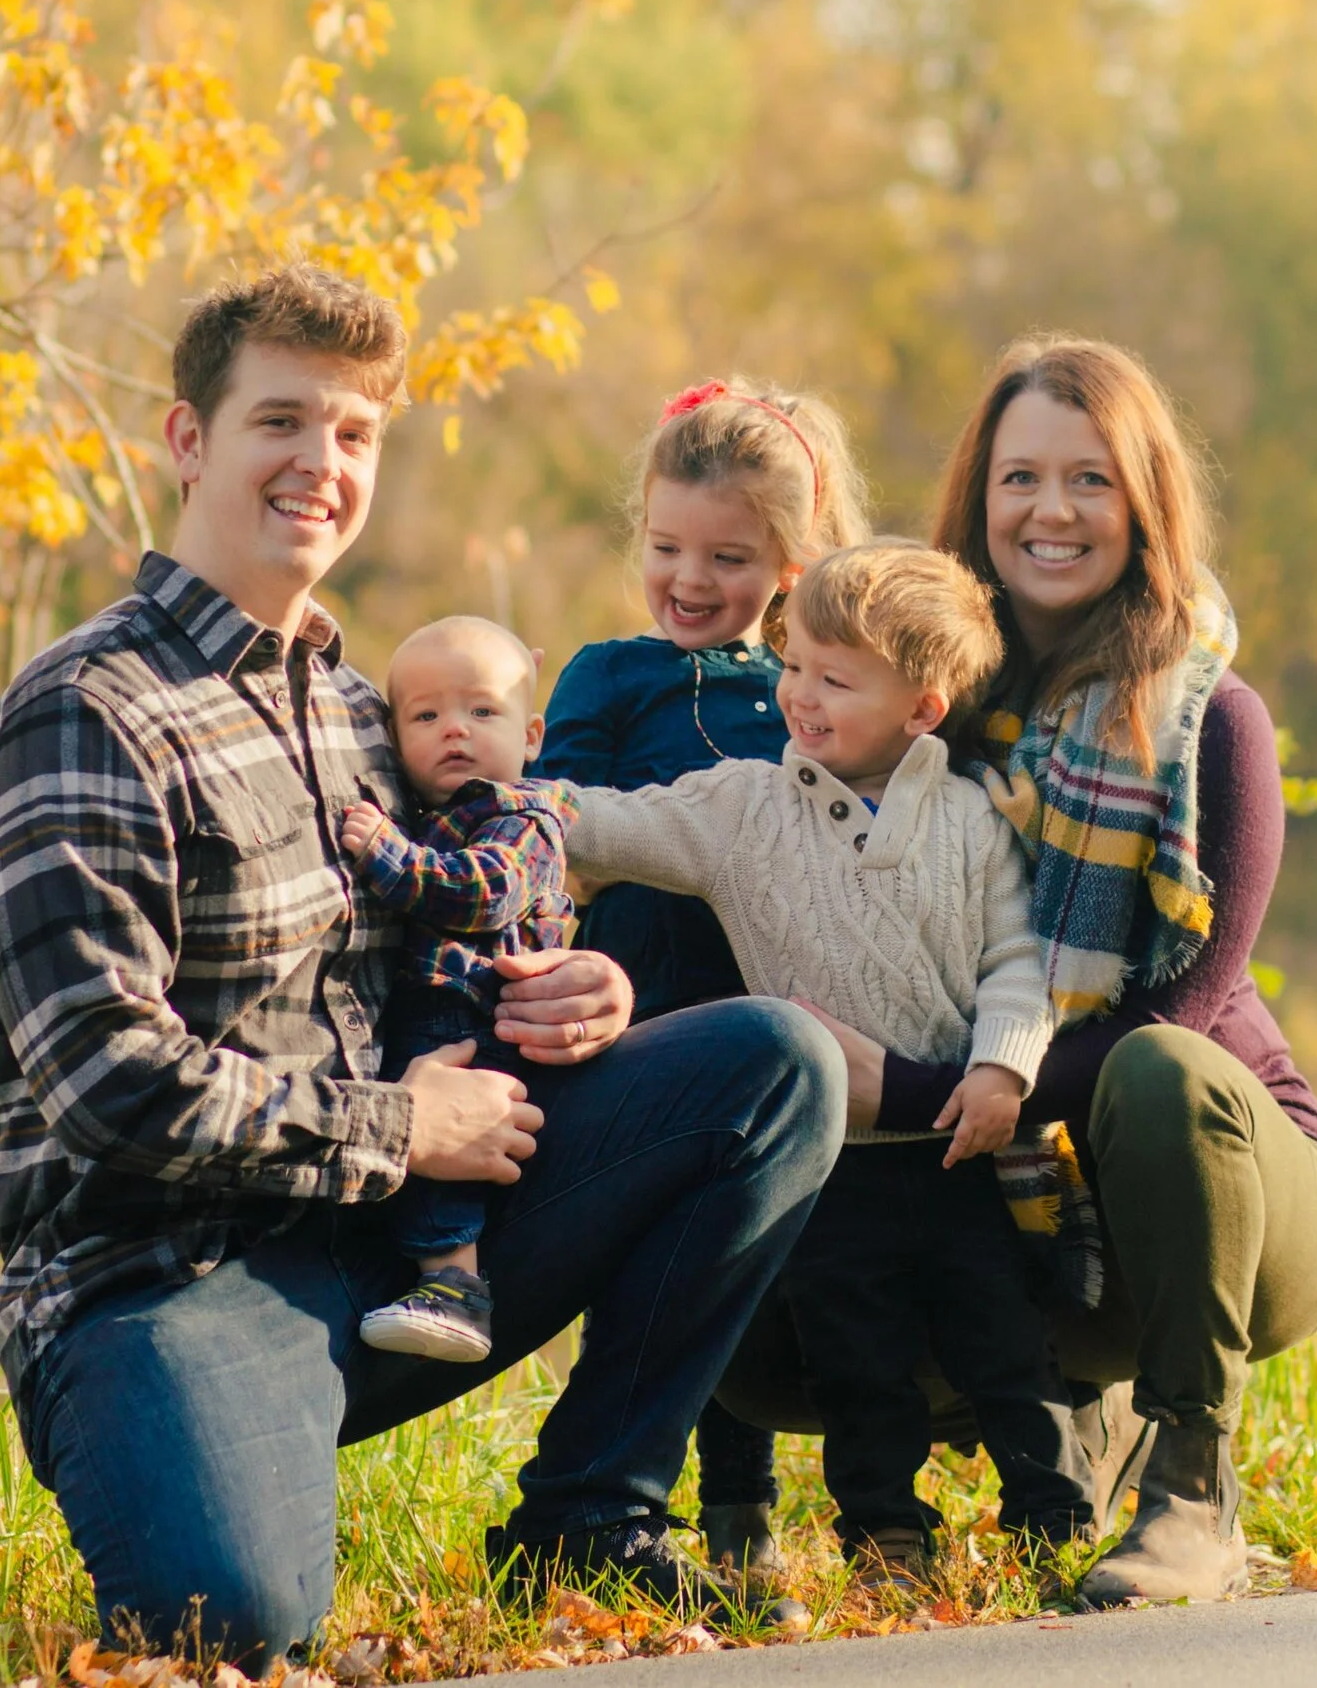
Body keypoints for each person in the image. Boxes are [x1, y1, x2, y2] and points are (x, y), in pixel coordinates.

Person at [0, 260, 846, 1664]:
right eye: (281, 421)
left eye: (355, 432)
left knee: (772, 1065)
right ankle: (209, 1454)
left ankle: (590, 1515)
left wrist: (569, 989)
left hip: (405, 1244)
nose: (322, 462)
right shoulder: (87, 715)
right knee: (230, 1623)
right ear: (188, 441)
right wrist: (400, 1127)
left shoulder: (369, 715)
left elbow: (457, 939)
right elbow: (101, 1081)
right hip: (168, 1280)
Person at [841, 334, 1317, 1606]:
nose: (1053, 510)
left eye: (1091, 480)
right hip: (1007, 1200)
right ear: (978, 497)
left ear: (1144, 502)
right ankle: (1033, 1424)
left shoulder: (1209, 722)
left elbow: (1172, 1012)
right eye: (1020, 477)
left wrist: (909, 1095)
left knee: (1160, 1068)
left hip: (1233, 1196)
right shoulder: (922, 719)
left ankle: (1191, 1484)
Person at [563, 540, 1095, 1587]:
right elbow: (607, 826)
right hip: (832, 1160)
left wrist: (1000, 1070)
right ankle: (886, 1538)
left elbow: (1016, 961)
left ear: (922, 710)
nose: (797, 695)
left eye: (834, 681)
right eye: (794, 665)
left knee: (1006, 1345)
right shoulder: (742, 809)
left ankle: (1057, 1521)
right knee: (857, 1359)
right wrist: (499, 789)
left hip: (956, 1151)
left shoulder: (972, 821)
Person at [532, 375, 869, 1577]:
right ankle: (646, 1500)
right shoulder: (609, 675)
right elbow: (553, 820)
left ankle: (769, 1508)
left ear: (791, 562)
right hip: (637, 1008)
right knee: (659, 1260)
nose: (688, 579)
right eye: (666, 547)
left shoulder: (810, 692)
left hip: (783, 1002)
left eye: (727, 558)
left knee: (756, 1258)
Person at [335, 617, 575, 1364]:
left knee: (445, 1133)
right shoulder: (432, 815)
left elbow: (485, 893)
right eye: (426, 715)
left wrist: (389, 857)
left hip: (470, 1007)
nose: (454, 730)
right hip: (431, 1002)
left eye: (481, 710)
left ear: (530, 735)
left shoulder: (523, 816)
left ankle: (453, 1287)